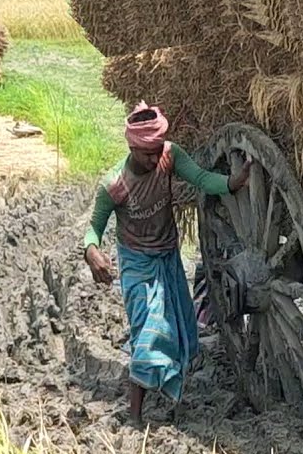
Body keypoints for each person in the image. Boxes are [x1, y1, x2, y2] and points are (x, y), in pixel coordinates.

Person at [82, 101, 251, 427]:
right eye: (148, 153)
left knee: (176, 330)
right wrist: (92, 252)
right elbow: (94, 228)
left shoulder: (170, 155)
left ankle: (168, 395)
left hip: (168, 259)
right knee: (149, 330)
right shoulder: (114, 185)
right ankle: (135, 415)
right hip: (137, 264)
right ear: (132, 147)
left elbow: (201, 178)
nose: (155, 156)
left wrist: (231, 183)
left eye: (158, 149)